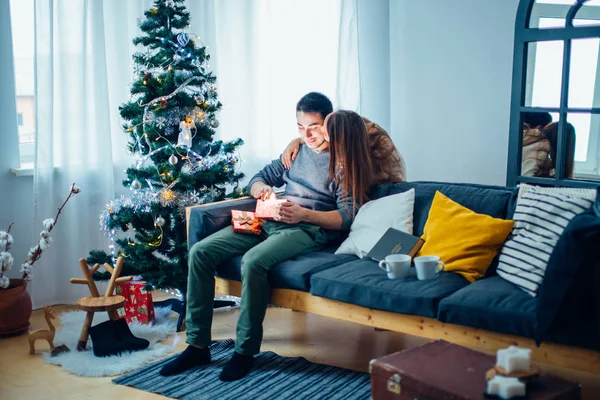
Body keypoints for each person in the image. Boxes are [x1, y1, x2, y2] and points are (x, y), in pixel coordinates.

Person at [159, 92, 357, 381]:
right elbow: (256, 179)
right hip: (266, 218)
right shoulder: (296, 151)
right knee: (201, 252)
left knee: (252, 261)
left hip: (306, 229)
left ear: (329, 121)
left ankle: (244, 351)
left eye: (313, 126)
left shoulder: (343, 161)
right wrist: (261, 189)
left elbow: (347, 216)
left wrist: (304, 215)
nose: (307, 134)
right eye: (300, 128)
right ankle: (198, 344)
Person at [282, 114, 406, 188]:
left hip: (382, 181)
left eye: (324, 133)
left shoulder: (376, 147)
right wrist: (297, 140)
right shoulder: (340, 122)